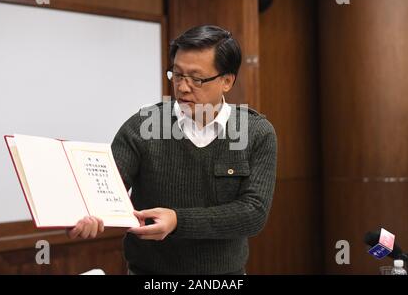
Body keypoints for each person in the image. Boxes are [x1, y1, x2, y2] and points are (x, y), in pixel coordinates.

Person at [67, 25, 277, 275]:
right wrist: (84, 215)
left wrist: (178, 221)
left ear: (227, 81)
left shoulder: (256, 132)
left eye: (196, 79)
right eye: (177, 75)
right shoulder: (143, 126)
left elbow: (253, 213)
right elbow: (106, 189)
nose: (183, 87)